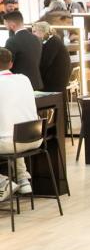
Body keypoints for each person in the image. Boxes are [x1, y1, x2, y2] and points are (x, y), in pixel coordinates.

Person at [0, 47, 39, 197]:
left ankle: (3, 183)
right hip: (33, 137)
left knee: (8, 135)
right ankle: (23, 179)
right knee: (12, 128)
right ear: (11, 64)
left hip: (9, 143)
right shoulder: (24, 79)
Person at [3, 11, 44, 90]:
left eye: (6, 26)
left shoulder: (12, 41)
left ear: (12, 25)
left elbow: (6, 64)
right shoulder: (36, 38)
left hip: (19, 85)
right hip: (36, 83)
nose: (6, 28)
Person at [31, 21, 71, 94]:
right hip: (56, 80)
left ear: (42, 31)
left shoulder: (53, 42)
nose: (32, 34)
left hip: (55, 84)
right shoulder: (52, 40)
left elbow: (44, 63)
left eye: (34, 32)